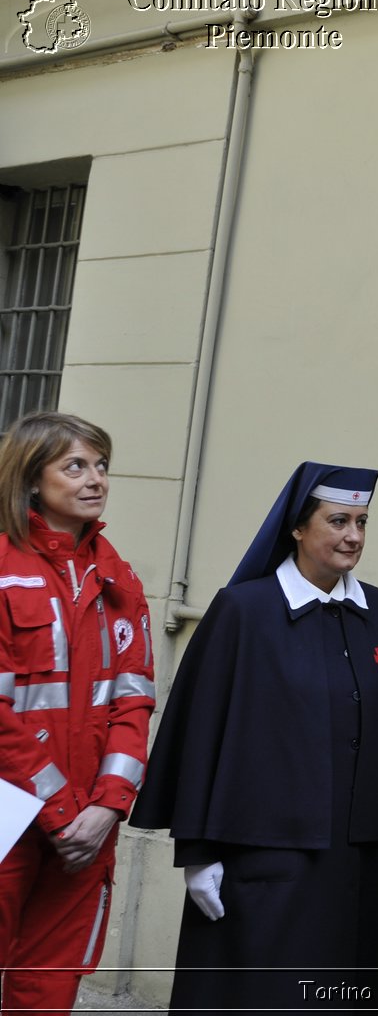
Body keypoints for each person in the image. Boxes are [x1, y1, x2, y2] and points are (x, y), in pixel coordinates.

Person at [130, 462, 378, 1012]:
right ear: (297, 527)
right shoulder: (244, 611)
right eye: (338, 520)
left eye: (362, 522)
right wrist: (197, 852)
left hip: (355, 860)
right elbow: (200, 732)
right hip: (263, 860)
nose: (353, 536)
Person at [0, 412, 153, 1015]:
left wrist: (108, 805)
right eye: (76, 466)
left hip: (85, 830)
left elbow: (133, 702)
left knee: (48, 988)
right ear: (32, 479)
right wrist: (63, 811)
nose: (96, 480)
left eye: (102, 465)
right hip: (15, 817)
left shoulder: (119, 579)